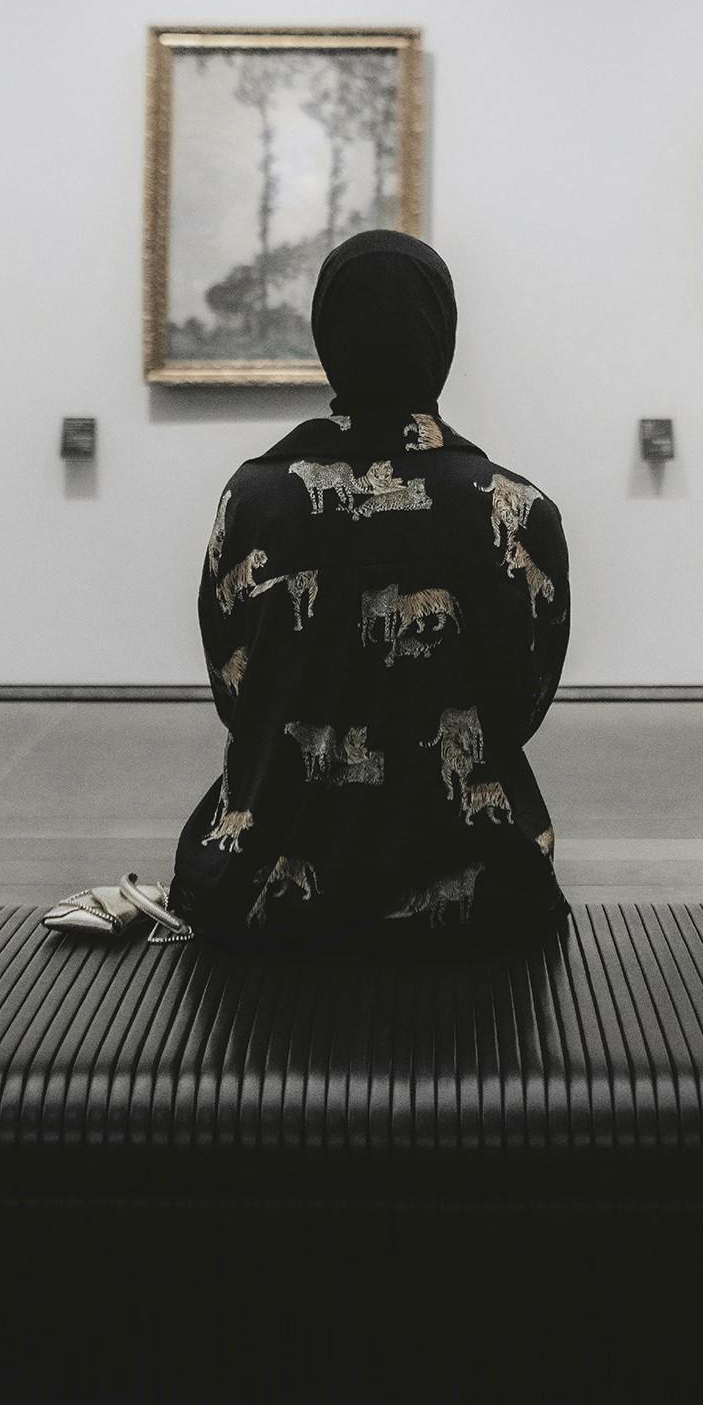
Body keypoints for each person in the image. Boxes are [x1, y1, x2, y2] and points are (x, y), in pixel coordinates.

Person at [162, 229, 571, 951]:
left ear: (328, 335)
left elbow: (238, 695)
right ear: (441, 336)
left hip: (266, 885)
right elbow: (520, 703)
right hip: (484, 889)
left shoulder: (254, 500)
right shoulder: (519, 508)